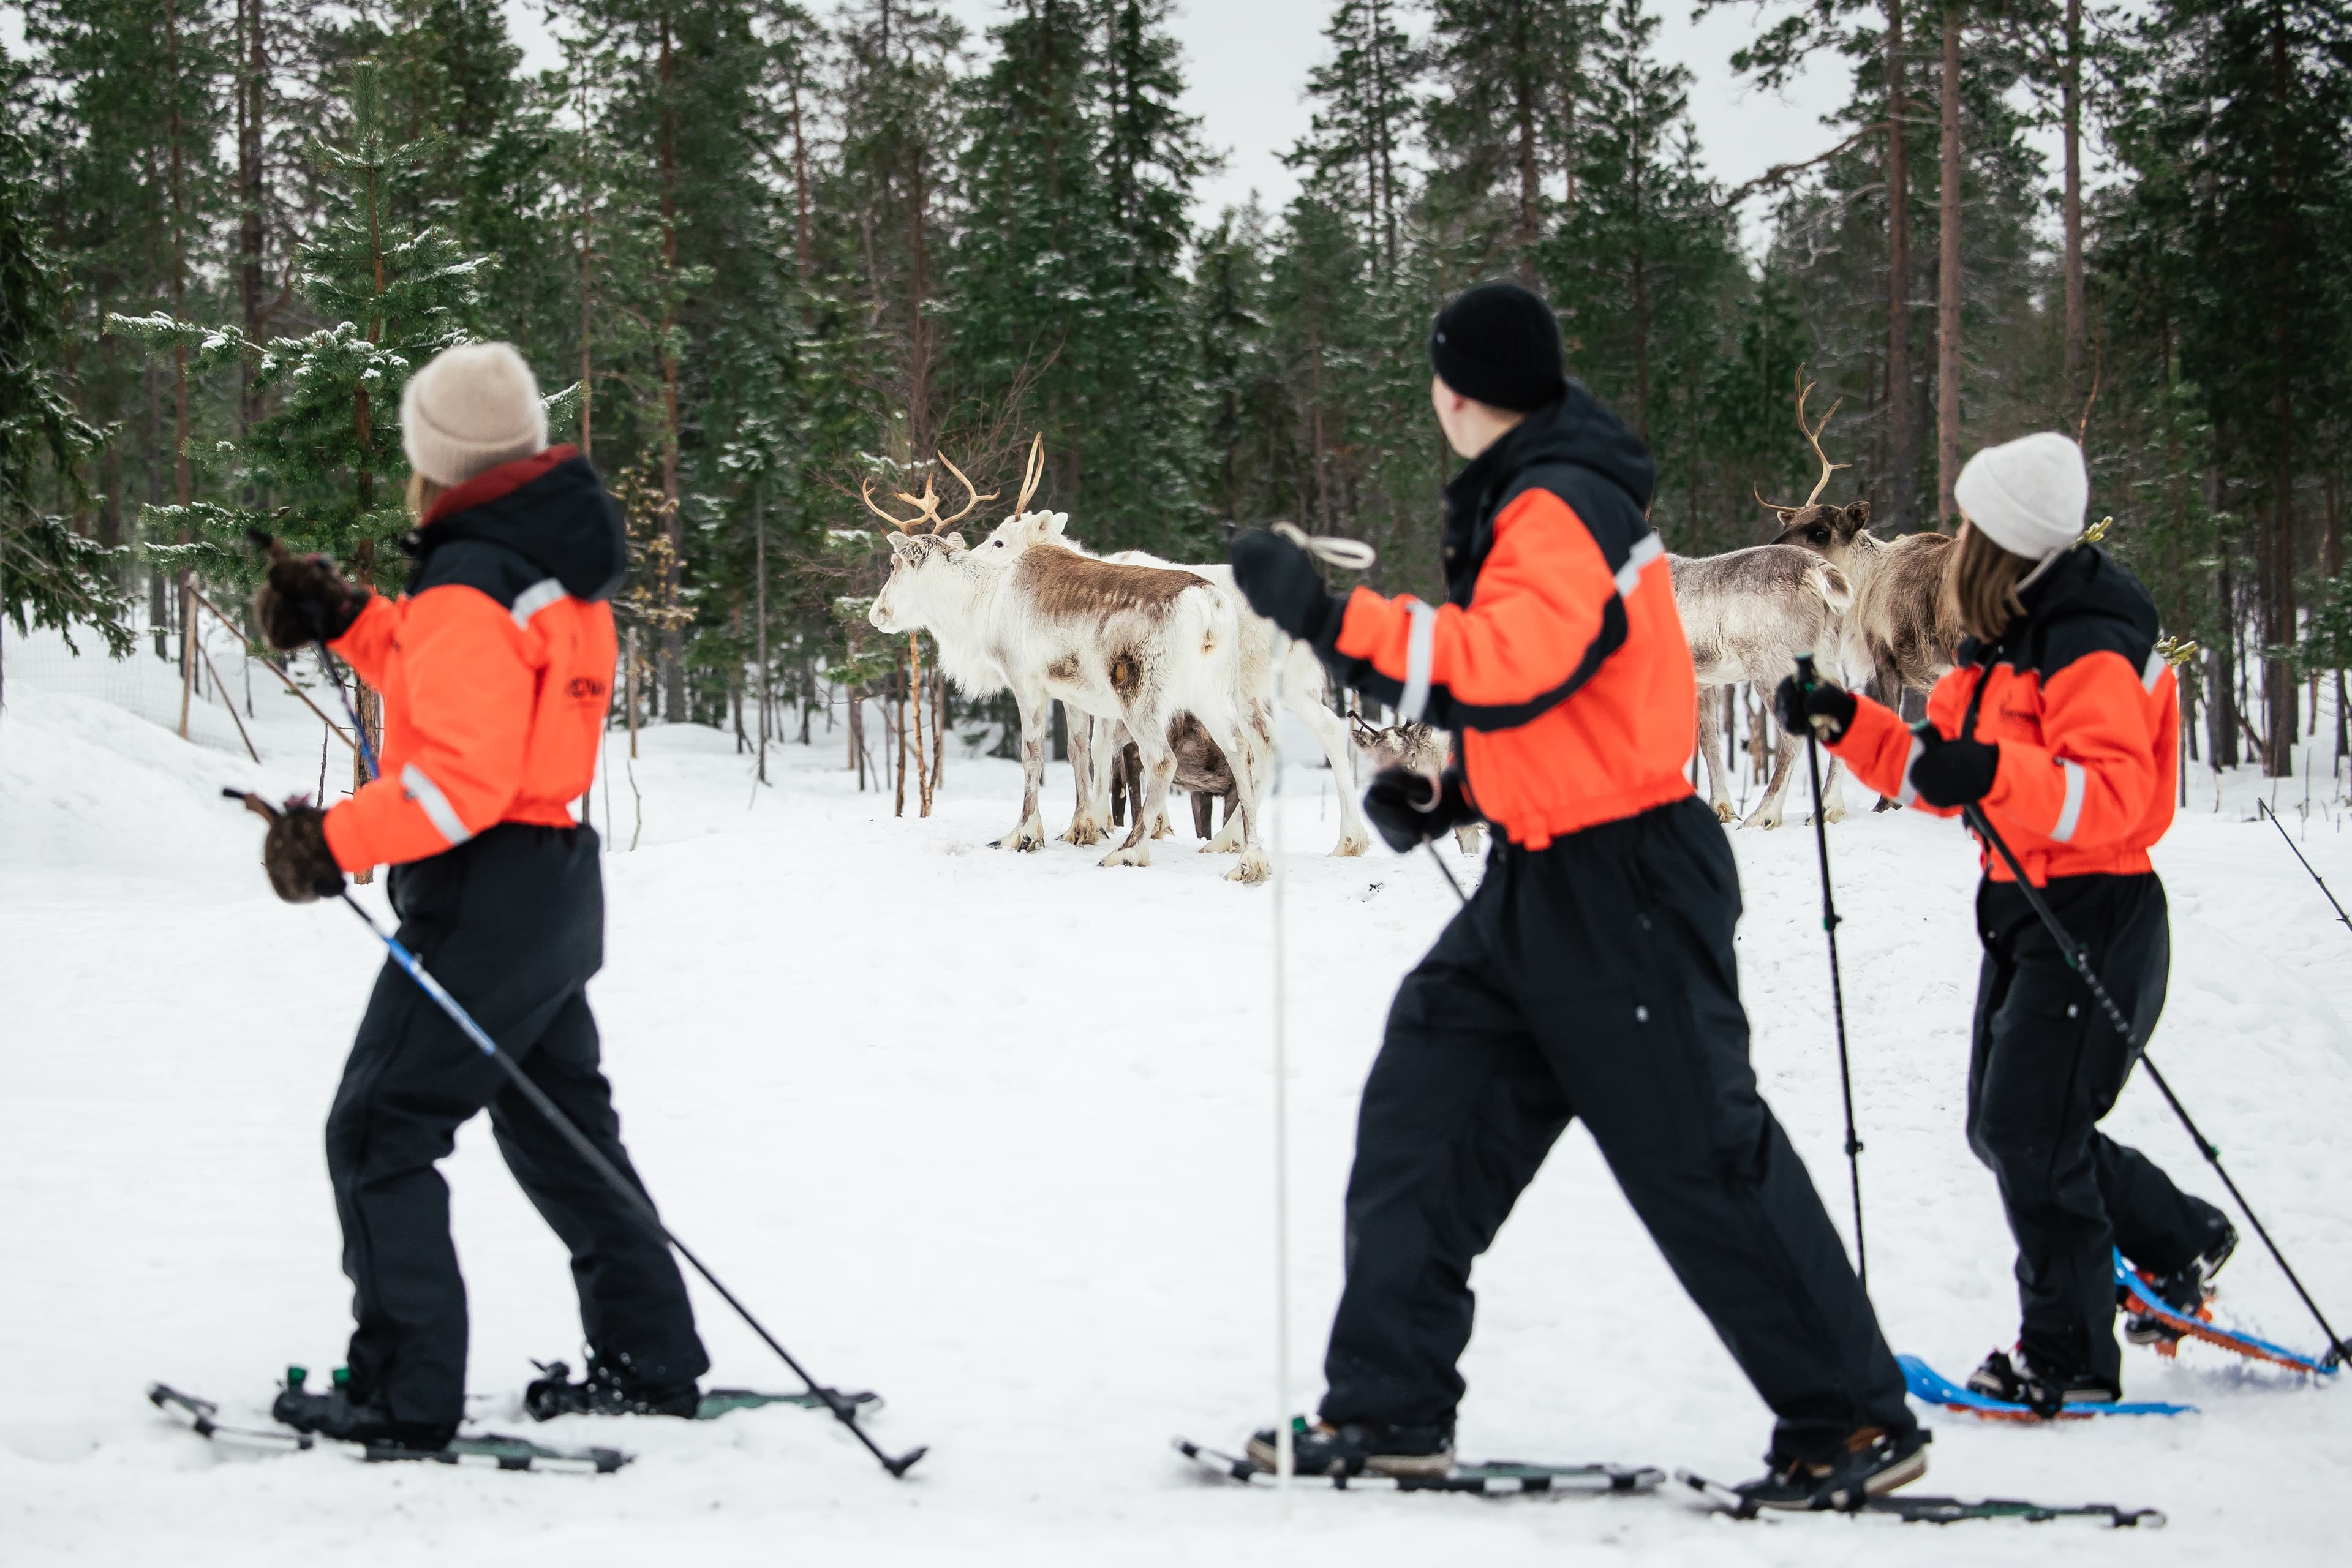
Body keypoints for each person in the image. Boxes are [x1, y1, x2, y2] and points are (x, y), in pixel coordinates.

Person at [1227, 281, 1924, 1509]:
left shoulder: (1556, 501)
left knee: (1700, 1152)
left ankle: (1854, 1418)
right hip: (1548, 869)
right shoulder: (1549, 490)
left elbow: (1509, 664)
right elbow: (1580, 699)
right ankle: (1387, 1402)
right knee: (1424, 1103)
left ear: (1457, 391)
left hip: (1627, 888)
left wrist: (1333, 614)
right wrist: (1463, 795)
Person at [247, 342, 709, 1451]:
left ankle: (402, 1394)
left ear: (436, 459)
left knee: (378, 1128)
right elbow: (473, 690)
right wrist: (354, 618)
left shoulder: (470, 579)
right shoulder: (541, 565)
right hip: (549, 888)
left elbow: (458, 777)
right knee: (562, 1135)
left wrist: (330, 842)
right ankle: (651, 1360)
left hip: (482, 887)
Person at [1776, 431, 2235, 1415]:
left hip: (2098, 912)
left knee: (2034, 1135)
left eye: (1976, 524)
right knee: (2009, 1130)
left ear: (2010, 544)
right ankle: (2177, 1238)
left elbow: (2115, 799)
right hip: (2024, 911)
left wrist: (1991, 773)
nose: (1958, 540)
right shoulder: (1998, 651)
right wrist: (1843, 721)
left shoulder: (2086, 645)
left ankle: (2066, 1356)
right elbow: (1939, 776)